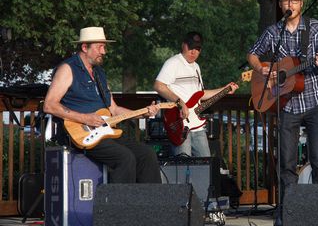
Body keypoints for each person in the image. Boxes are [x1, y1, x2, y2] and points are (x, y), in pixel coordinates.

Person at [246, 0, 318, 212]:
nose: (290, 4)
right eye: (286, 1)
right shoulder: (274, 31)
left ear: (302, 4)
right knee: (286, 163)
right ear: (280, 4)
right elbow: (253, 54)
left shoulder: (314, 28)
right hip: (285, 104)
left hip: (314, 100)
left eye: (294, 1)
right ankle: (287, 213)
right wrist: (261, 69)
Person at [44, 26, 161, 183]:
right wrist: (85, 118)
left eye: (104, 47)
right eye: (100, 47)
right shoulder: (68, 69)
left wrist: (143, 112)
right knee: (125, 158)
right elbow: (49, 105)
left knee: (147, 154)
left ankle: (150, 205)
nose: (104, 51)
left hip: (104, 131)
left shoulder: (99, 73)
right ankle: (119, 206)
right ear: (85, 47)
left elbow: (113, 109)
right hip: (81, 134)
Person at [154, 31, 238, 157]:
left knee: (205, 166)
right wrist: (180, 102)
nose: (193, 52)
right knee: (183, 167)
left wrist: (224, 90)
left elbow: (200, 94)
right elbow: (158, 86)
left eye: (197, 49)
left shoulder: (196, 67)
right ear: (183, 45)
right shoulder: (173, 63)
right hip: (180, 123)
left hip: (197, 126)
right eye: (190, 47)